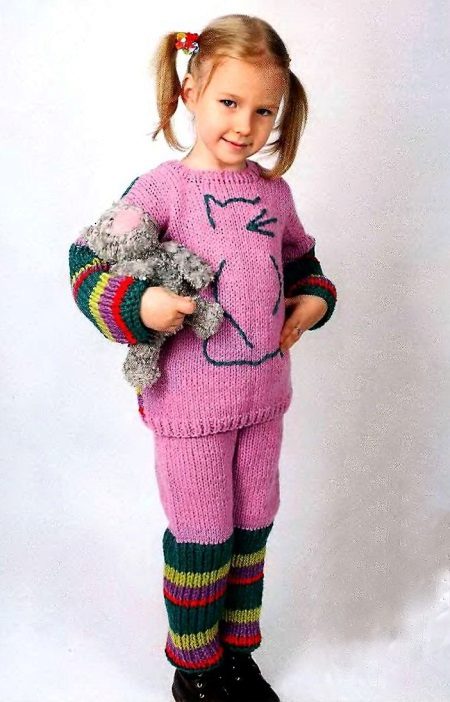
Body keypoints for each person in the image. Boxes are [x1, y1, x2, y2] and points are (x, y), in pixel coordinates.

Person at [68, 14, 337, 702]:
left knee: (253, 526)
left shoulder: (274, 195)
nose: (244, 125)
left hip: (264, 402)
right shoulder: (162, 191)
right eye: (229, 102)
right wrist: (141, 303)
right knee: (202, 534)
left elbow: (304, 265)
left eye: (264, 110)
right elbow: (86, 261)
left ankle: (238, 654)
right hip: (190, 410)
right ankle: (195, 667)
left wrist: (313, 301)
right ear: (190, 92)